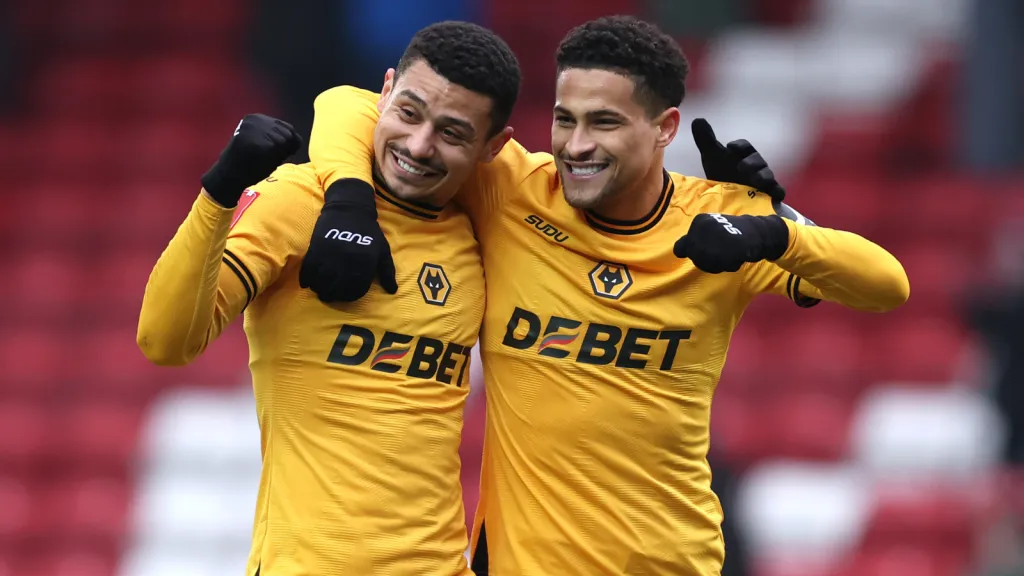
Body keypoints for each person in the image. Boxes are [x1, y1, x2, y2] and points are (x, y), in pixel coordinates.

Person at [300, 15, 911, 575]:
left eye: (605, 122)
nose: (576, 145)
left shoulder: (721, 224)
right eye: (566, 118)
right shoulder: (512, 190)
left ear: (665, 127)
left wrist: (776, 229)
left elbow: (886, 285)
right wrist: (349, 196)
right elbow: (349, 105)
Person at [136, 21, 522, 576]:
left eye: (452, 133)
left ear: (493, 147)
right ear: (384, 93)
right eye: (408, 113)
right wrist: (220, 192)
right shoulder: (299, 201)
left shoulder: (485, 230)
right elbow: (164, 340)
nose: (418, 145)